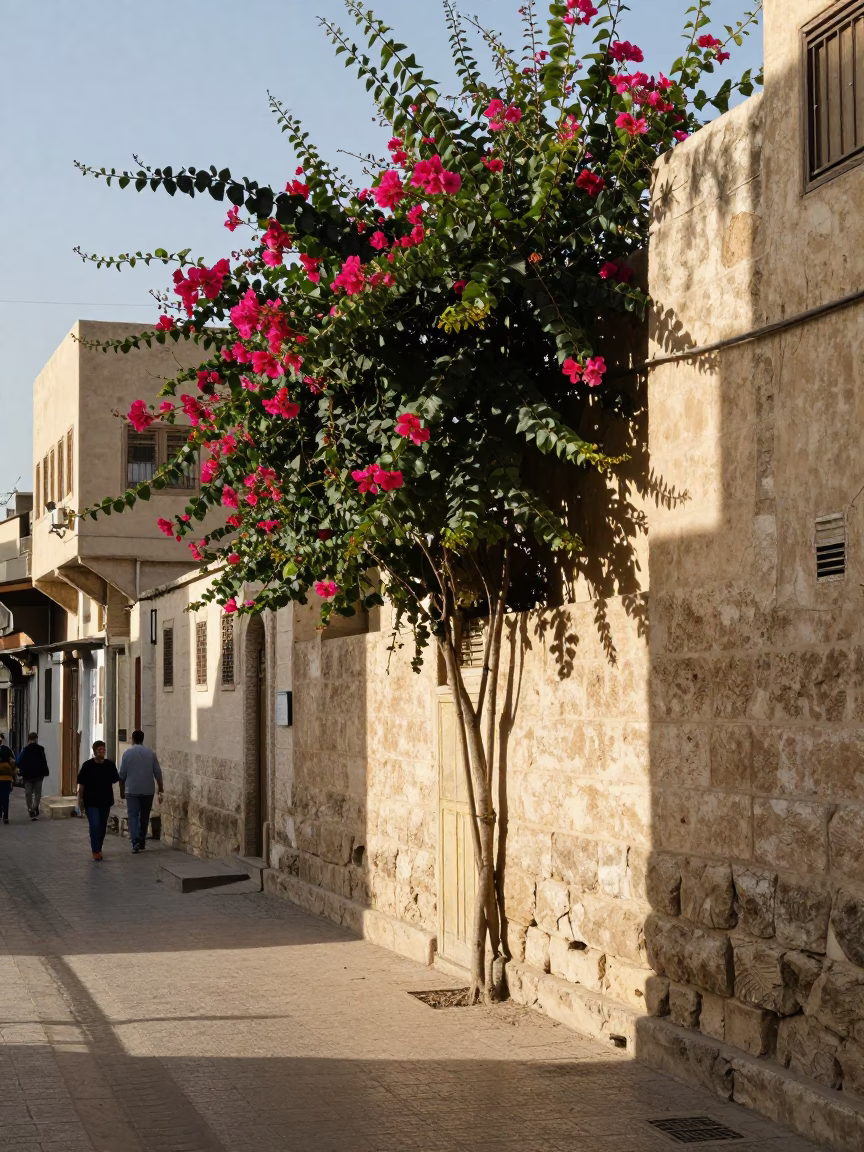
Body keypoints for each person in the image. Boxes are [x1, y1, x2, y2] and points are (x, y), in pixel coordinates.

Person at [118, 730, 163, 853]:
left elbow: (122, 775)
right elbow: (158, 773)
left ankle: (135, 841)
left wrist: (121, 791)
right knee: (144, 816)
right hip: (148, 790)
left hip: (131, 790)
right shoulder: (151, 753)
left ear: (132, 739)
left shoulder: (127, 754)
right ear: (143, 739)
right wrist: (161, 788)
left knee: (133, 815)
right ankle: (142, 839)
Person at [76, 740, 119, 861]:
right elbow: (81, 784)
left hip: (105, 801)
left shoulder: (109, 765)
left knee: (102, 826)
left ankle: (98, 847)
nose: (102, 752)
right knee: (94, 825)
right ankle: (95, 850)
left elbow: (115, 779)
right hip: (90, 801)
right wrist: (80, 800)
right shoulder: (87, 766)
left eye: (103, 750)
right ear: (94, 751)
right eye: (99, 750)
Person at [16, 732, 49, 820]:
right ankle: (34, 807)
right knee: (37, 793)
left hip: (28, 776)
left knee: (28, 793)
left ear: (29, 739)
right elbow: (44, 761)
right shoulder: (41, 749)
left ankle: (31, 808)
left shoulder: (25, 750)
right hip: (39, 775)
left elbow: (18, 761)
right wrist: (45, 772)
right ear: (36, 739)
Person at [0, 736, 14, 824]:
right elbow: (13, 762)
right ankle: (6, 816)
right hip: (6, 779)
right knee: (5, 797)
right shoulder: (7, 749)